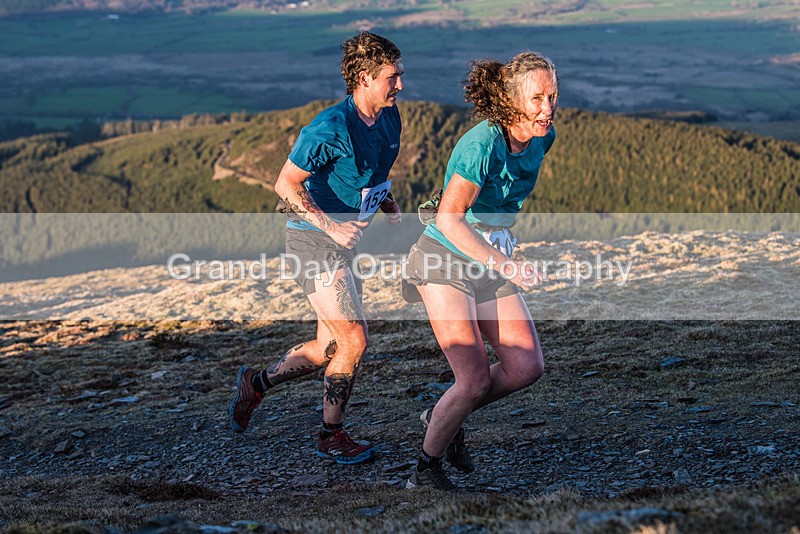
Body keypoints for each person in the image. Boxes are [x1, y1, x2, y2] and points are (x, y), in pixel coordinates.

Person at [229, 31, 404, 465]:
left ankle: (256, 383)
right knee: (355, 340)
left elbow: (372, 173)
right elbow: (284, 183)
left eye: (400, 76)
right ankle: (331, 435)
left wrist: (388, 203)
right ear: (364, 78)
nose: (400, 85)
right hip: (312, 240)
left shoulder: (389, 117)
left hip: (344, 245)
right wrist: (330, 225)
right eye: (392, 77)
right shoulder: (328, 127)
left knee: (330, 348)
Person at [403, 51, 558, 489]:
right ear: (511, 99)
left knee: (525, 366)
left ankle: (441, 415)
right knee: (470, 380)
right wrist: (504, 261)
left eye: (552, 96)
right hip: (444, 259)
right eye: (537, 98)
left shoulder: (542, 138)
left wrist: (510, 249)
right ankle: (426, 468)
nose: (547, 108)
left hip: (488, 258)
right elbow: (450, 219)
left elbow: (499, 209)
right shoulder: (481, 143)